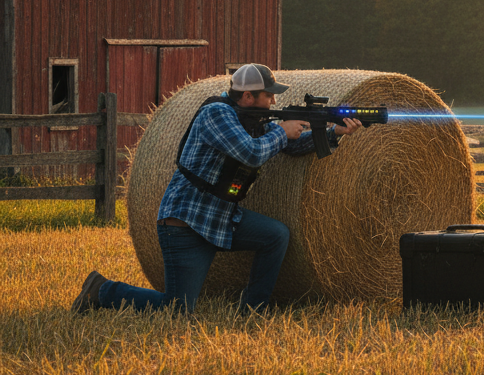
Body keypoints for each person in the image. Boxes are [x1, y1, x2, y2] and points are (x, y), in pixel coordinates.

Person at [71, 63, 362, 314]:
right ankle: (102, 290)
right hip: (187, 222)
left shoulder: (253, 120)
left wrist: (333, 132)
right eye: (268, 95)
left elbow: (292, 145)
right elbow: (251, 153)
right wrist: (281, 130)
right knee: (177, 308)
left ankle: (253, 308)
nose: (273, 101)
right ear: (248, 96)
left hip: (223, 217)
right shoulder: (216, 114)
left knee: (276, 235)